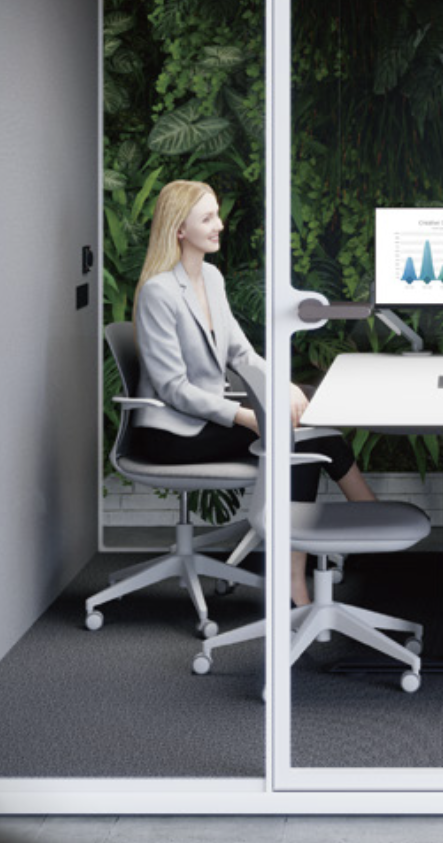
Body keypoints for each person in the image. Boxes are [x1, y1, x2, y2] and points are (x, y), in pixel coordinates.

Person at [129, 179, 377, 606]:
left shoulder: (210, 277)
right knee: (296, 436)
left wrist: (281, 385)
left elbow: (241, 354)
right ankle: (300, 574)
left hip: (209, 415)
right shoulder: (158, 293)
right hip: (174, 432)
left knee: (309, 416)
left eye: (217, 215)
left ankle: (368, 528)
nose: (220, 225)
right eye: (207, 218)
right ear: (179, 230)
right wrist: (248, 416)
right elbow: (173, 389)